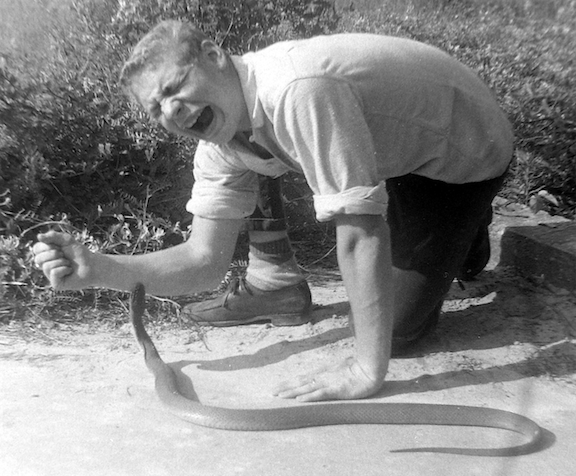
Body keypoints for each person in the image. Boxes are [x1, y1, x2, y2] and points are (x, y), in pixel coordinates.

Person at [33, 20, 513, 402]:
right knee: (387, 284)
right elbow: (204, 260)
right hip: (391, 152)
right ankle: (450, 238)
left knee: (396, 334)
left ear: (216, 57)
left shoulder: (295, 89)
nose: (171, 111)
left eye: (173, 86)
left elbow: (360, 233)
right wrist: (98, 268)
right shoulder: (219, 141)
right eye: (156, 108)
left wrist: (367, 370)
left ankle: (468, 224)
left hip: (462, 152)